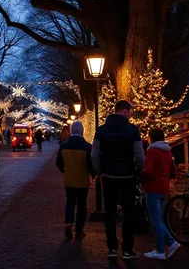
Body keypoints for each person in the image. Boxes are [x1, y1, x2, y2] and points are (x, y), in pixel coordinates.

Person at [92, 100, 145, 260]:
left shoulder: (101, 130)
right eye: (130, 112)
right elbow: (139, 155)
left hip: (108, 177)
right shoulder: (133, 130)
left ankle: (112, 248)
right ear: (124, 111)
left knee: (110, 213)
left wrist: (99, 172)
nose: (130, 115)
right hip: (128, 176)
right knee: (128, 213)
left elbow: (94, 155)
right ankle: (128, 249)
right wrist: (137, 170)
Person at [140, 128, 181, 260]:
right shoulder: (167, 151)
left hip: (153, 187)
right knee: (159, 219)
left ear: (151, 137)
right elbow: (173, 172)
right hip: (164, 188)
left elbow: (149, 171)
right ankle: (167, 245)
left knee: (155, 220)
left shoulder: (152, 151)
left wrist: (139, 174)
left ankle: (162, 248)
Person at [56, 121, 95, 240]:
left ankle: (69, 222)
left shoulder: (63, 146)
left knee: (70, 202)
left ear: (71, 131)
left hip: (69, 179)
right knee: (82, 205)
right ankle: (79, 229)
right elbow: (90, 164)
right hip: (82, 180)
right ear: (82, 131)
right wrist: (94, 174)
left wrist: (66, 170)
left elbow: (58, 163)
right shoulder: (87, 147)